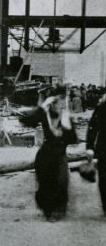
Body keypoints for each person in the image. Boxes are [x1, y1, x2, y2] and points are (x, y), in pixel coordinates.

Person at [19, 86, 78, 221]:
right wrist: (42, 107)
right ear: (51, 103)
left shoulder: (65, 117)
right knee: (46, 182)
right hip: (46, 153)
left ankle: (57, 210)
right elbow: (26, 120)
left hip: (60, 155)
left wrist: (68, 126)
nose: (61, 105)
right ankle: (49, 211)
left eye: (62, 102)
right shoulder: (45, 114)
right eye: (57, 102)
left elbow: (74, 139)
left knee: (61, 182)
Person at [85, 93, 106, 217]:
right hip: (104, 148)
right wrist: (89, 148)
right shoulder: (103, 106)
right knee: (104, 178)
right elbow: (92, 127)